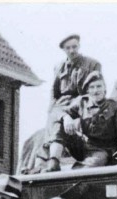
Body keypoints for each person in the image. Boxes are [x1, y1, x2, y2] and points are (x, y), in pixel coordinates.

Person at [46, 71, 117, 170]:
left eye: (99, 86)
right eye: (92, 87)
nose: (95, 90)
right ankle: (54, 161)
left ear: (104, 88)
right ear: (88, 90)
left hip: (102, 150)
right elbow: (58, 110)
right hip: (83, 146)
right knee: (60, 122)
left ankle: (77, 173)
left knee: (88, 168)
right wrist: (66, 117)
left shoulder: (114, 107)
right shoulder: (82, 102)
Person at [43, 34, 102, 172]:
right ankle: (51, 160)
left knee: (61, 122)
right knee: (56, 120)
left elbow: (96, 88)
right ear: (64, 50)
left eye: (74, 47)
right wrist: (52, 112)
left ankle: (54, 161)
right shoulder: (59, 67)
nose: (72, 50)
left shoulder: (92, 64)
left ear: (79, 46)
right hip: (62, 106)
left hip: (82, 103)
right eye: (68, 48)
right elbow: (54, 91)